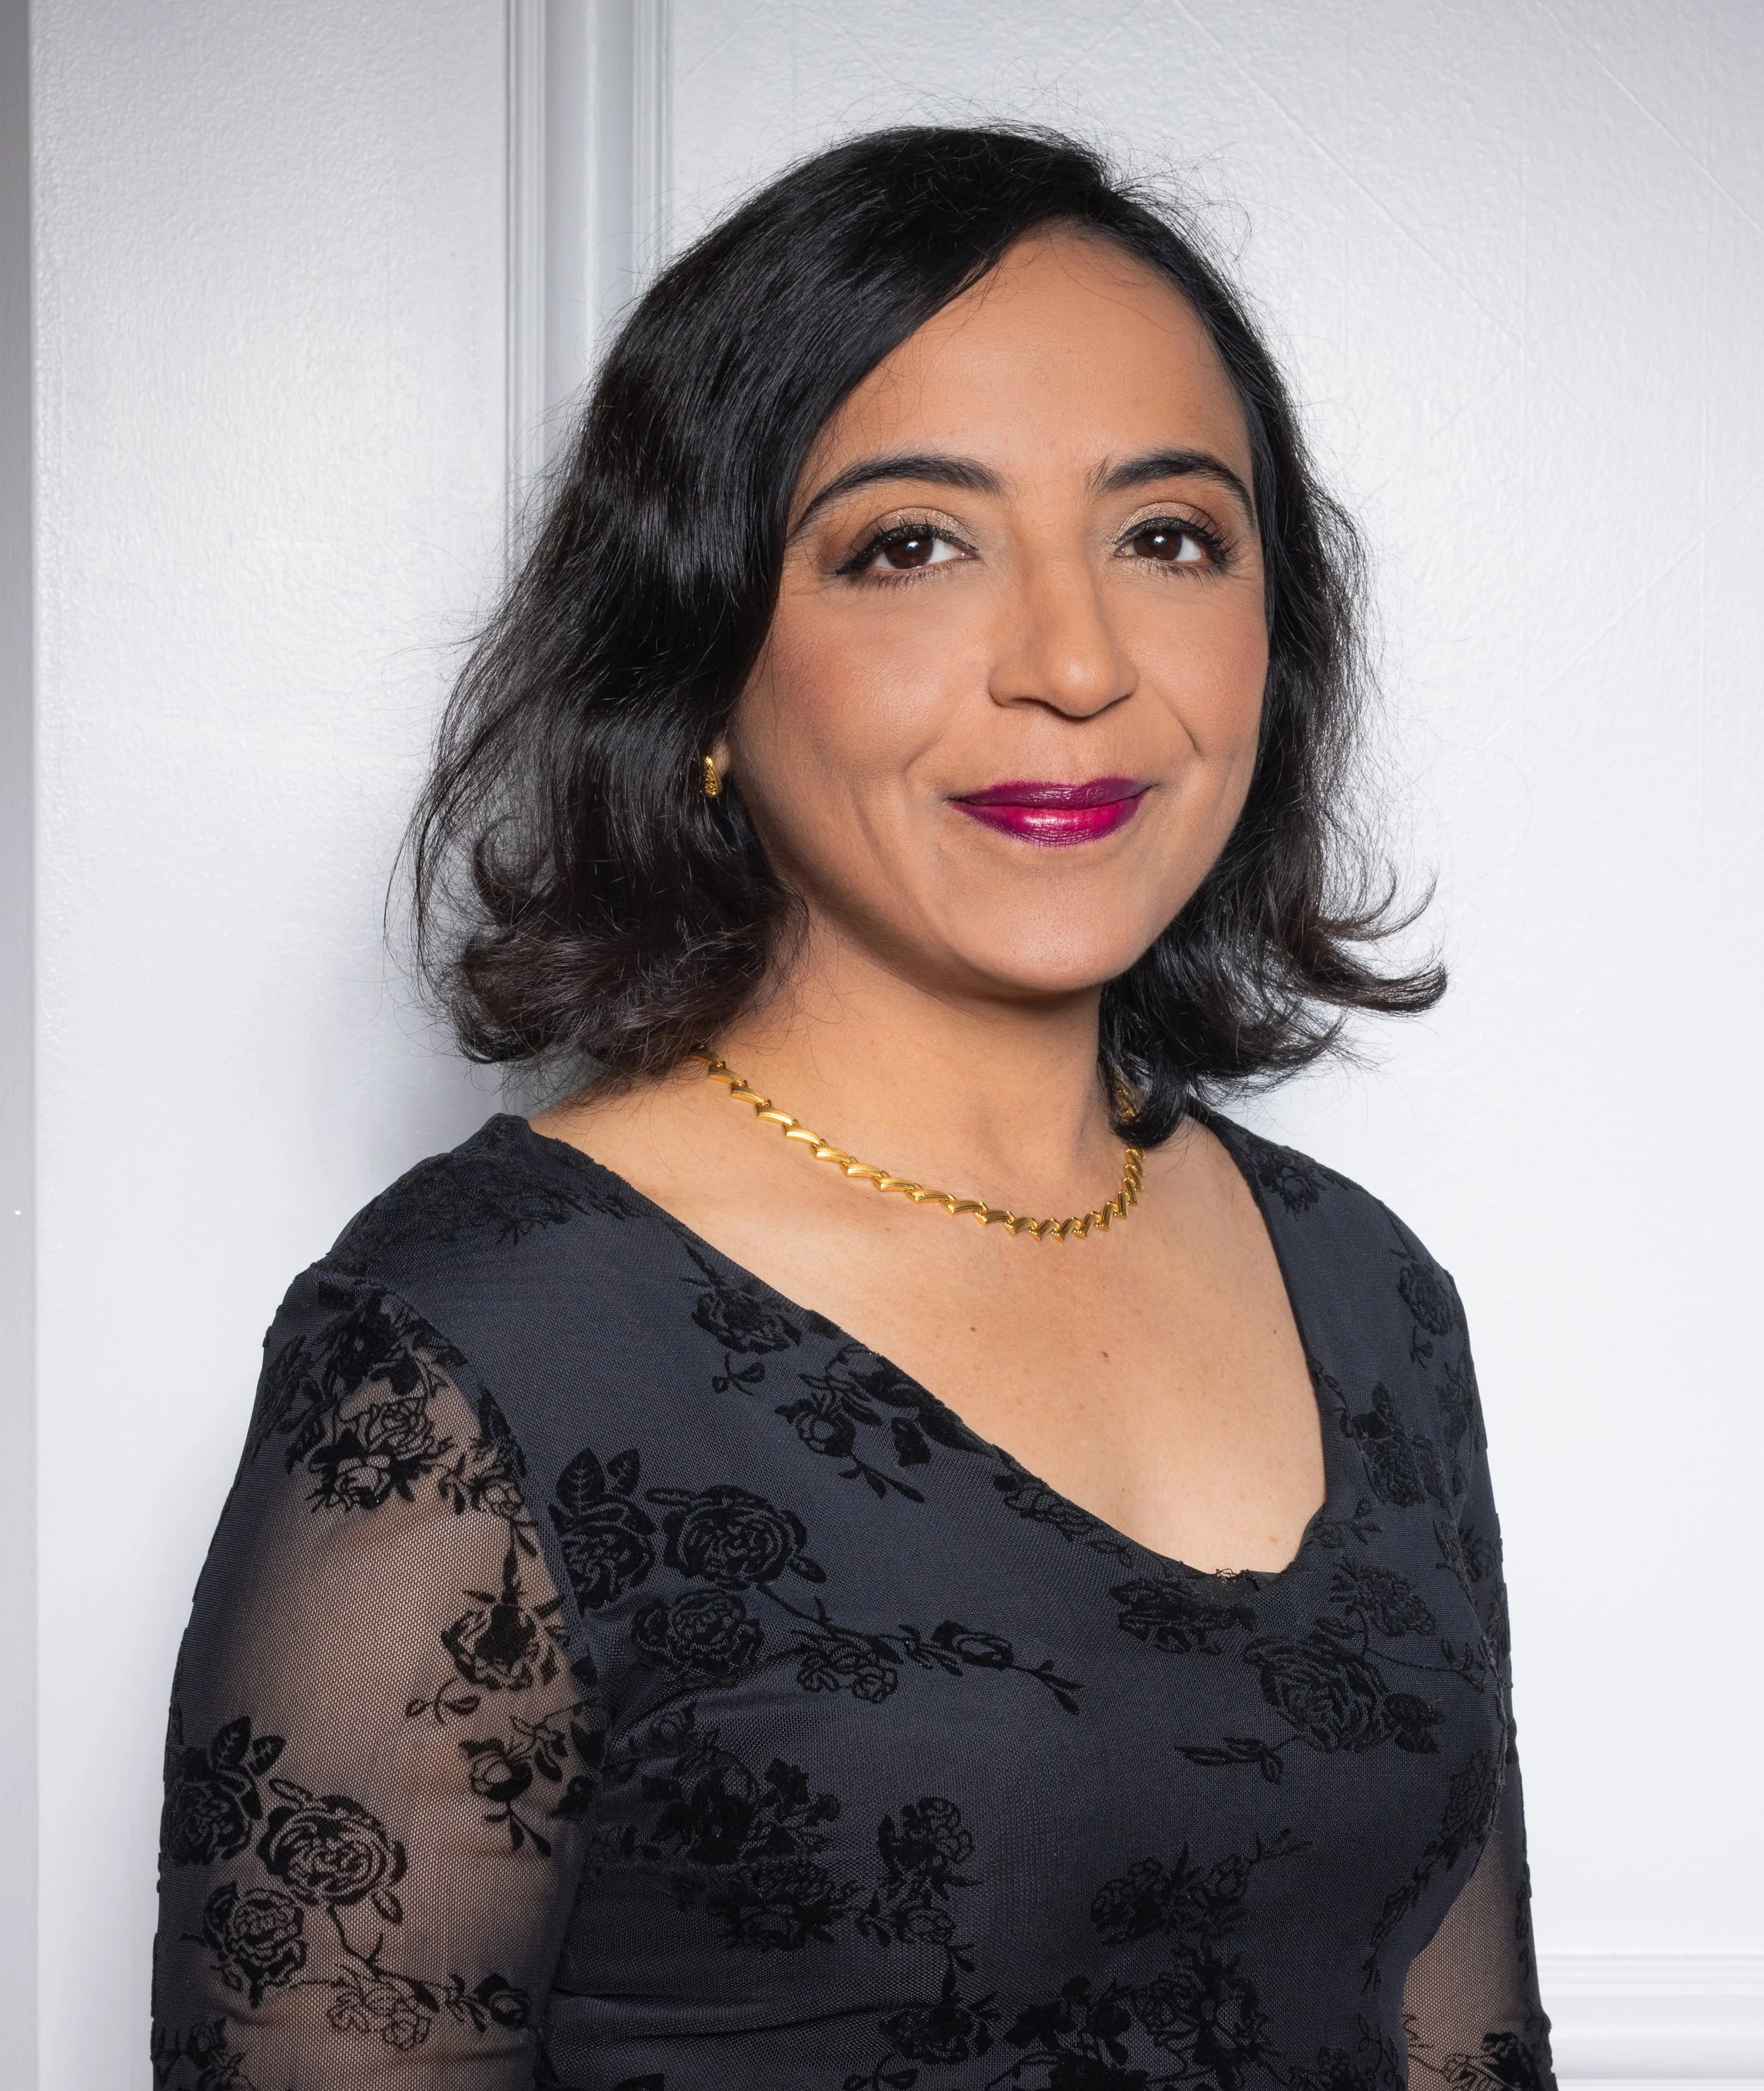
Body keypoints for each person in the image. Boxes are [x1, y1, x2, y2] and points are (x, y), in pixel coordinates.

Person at [151, 125, 1554, 2091]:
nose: (1074, 663)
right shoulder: (488, 1333)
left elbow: (1459, 2039)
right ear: (700, 658)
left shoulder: (1366, 1293)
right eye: (911, 545)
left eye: (1167, 536)